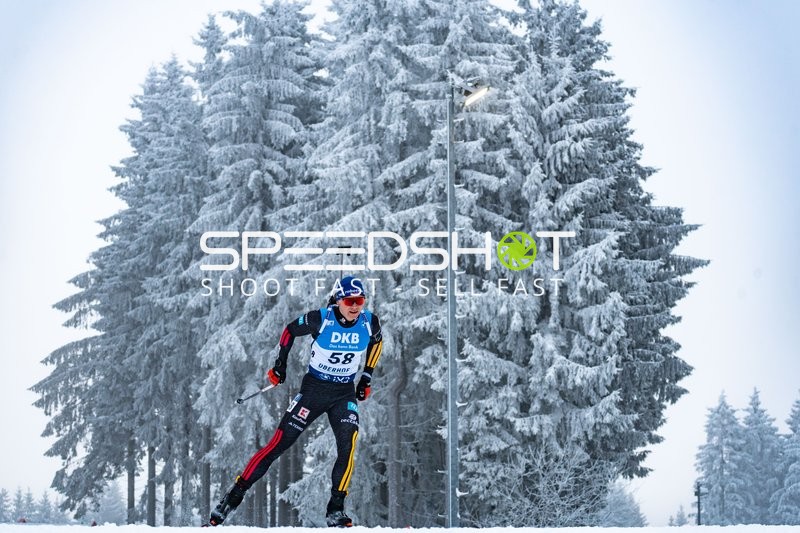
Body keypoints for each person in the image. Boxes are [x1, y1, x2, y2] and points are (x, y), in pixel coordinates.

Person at [207, 276, 383, 528]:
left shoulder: (368, 322)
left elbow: (377, 341)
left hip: (343, 393)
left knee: (349, 443)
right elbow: (290, 330)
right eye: (350, 300)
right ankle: (232, 496)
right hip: (314, 391)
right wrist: (280, 366)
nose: (355, 306)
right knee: (278, 444)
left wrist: (365, 377)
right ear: (338, 300)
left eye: (360, 301)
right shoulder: (321, 319)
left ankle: (336, 508)